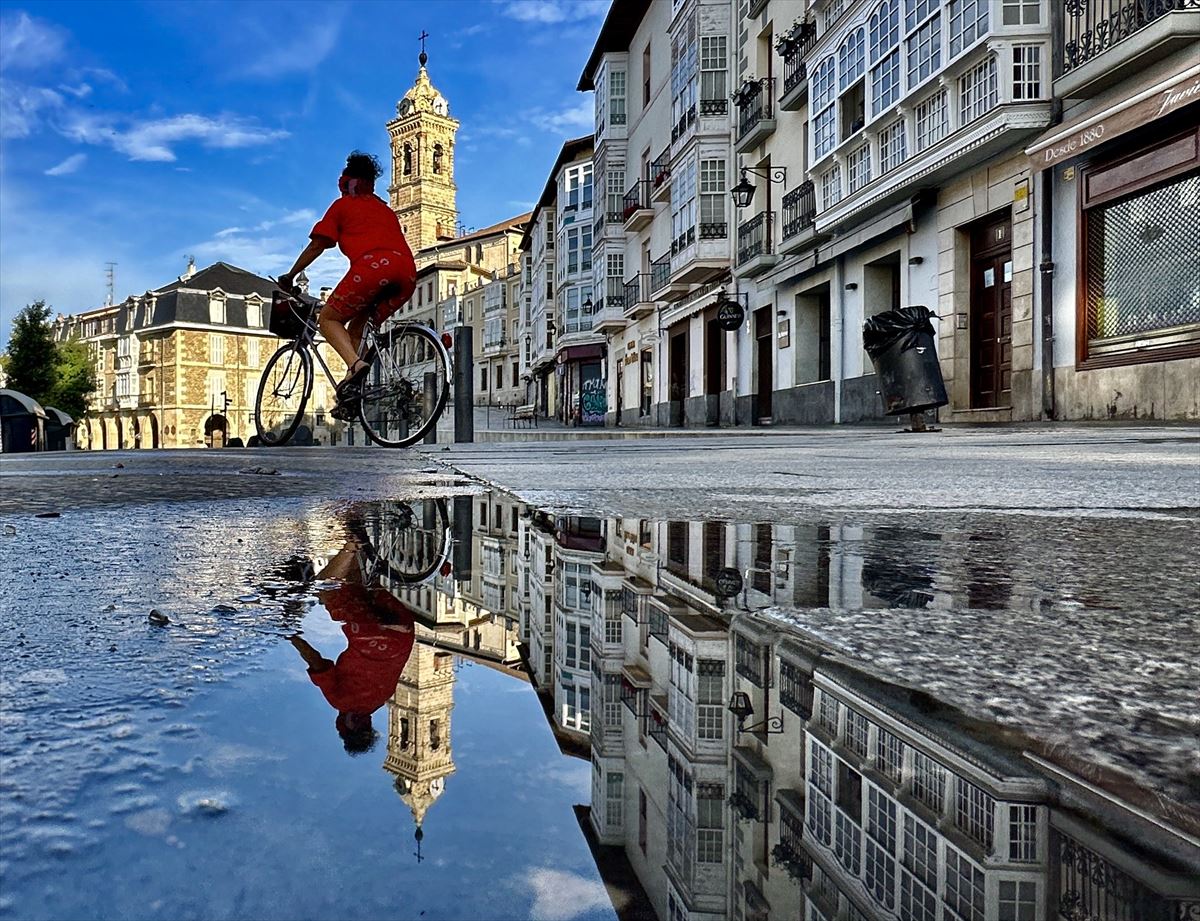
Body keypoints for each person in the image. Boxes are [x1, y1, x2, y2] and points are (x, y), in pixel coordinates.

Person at [278, 151, 417, 414]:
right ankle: (351, 392)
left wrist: (290, 275)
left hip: (375, 268)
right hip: (407, 273)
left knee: (328, 319)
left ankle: (355, 365)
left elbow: (318, 245)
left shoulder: (342, 206)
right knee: (357, 329)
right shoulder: (385, 210)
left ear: (346, 182)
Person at [289, 532, 416, 755]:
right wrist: (291, 635)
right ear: (344, 725)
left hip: (404, 633)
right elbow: (317, 662)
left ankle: (360, 528)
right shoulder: (341, 702)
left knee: (356, 586)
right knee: (326, 589)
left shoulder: (380, 700)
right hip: (371, 638)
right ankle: (352, 545)